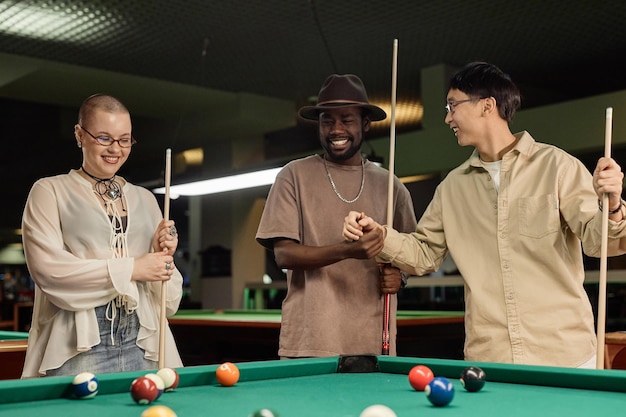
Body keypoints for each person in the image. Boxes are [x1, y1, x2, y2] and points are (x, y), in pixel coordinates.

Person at [343, 62, 626, 368]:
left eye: (453, 105)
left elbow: (601, 244)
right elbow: (424, 254)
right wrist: (379, 235)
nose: (447, 117)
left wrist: (611, 205)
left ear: (487, 106)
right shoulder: (452, 188)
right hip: (491, 358)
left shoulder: (558, 166)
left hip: (565, 354)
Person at [21, 94, 183, 377]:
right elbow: (49, 272)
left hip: (144, 339)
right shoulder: (49, 191)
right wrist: (134, 267)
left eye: (124, 140)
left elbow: (169, 303)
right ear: (79, 135)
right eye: (104, 138)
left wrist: (164, 257)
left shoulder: (146, 199)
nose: (115, 149)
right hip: (80, 341)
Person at [255, 74, 417, 358]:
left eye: (347, 119)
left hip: (373, 342)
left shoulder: (391, 186)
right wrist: (347, 251)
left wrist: (400, 277)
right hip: (310, 340)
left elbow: (411, 254)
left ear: (365, 123)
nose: (336, 129)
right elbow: (284, 255)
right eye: (327, 121)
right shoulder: (293, 176)